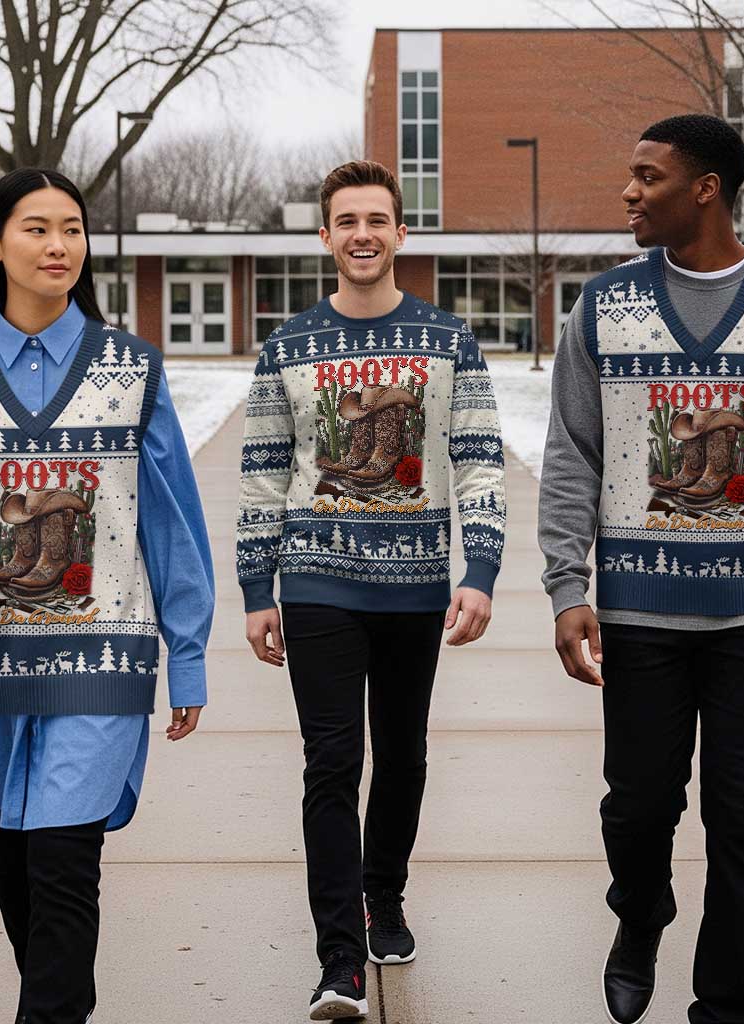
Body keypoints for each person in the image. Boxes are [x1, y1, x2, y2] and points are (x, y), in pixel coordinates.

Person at [539, 113, 744, 1024]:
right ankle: (639, 913)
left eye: (648, 176)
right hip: (640, 611)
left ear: (706, 189)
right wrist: (568, 585)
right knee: (637, 811)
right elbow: (572, 452)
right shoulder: (604, 307)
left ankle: (726, 1005)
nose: (629, 192)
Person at [0, 168, 214, 1024]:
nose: (58, 246)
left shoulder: (132, 372)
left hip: (101, 661)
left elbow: (171, 525)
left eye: (72, 229)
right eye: (36, 228)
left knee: (65, 863)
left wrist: (190, 654)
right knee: (14, 862)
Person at [236, 160, 507, 1021]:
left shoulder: (448, 340)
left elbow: (478, 460)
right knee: (332, 760)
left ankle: (382, 895)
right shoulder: (287, 347)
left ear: (400, 233)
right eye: (346, 220)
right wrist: (256, 586)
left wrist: (482, 569)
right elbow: (263, 477)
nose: (362, 234)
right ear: (325, 236)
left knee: (404, 753)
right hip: (317, 581)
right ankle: (339, 961)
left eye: (377, 220)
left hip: (416, 586)